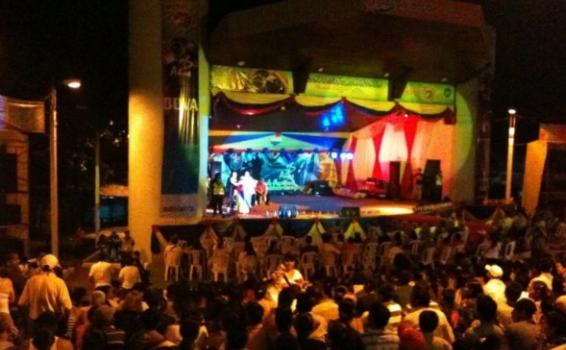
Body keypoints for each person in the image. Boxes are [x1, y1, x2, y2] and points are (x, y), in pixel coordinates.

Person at [18, 254, 72, 332]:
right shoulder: (59, 282)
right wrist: (65, 321)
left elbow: (21, 303)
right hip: (53, 323)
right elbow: (68, 307)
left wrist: (27, 318)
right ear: (56, 267)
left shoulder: (31, 281)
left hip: (34, 322)